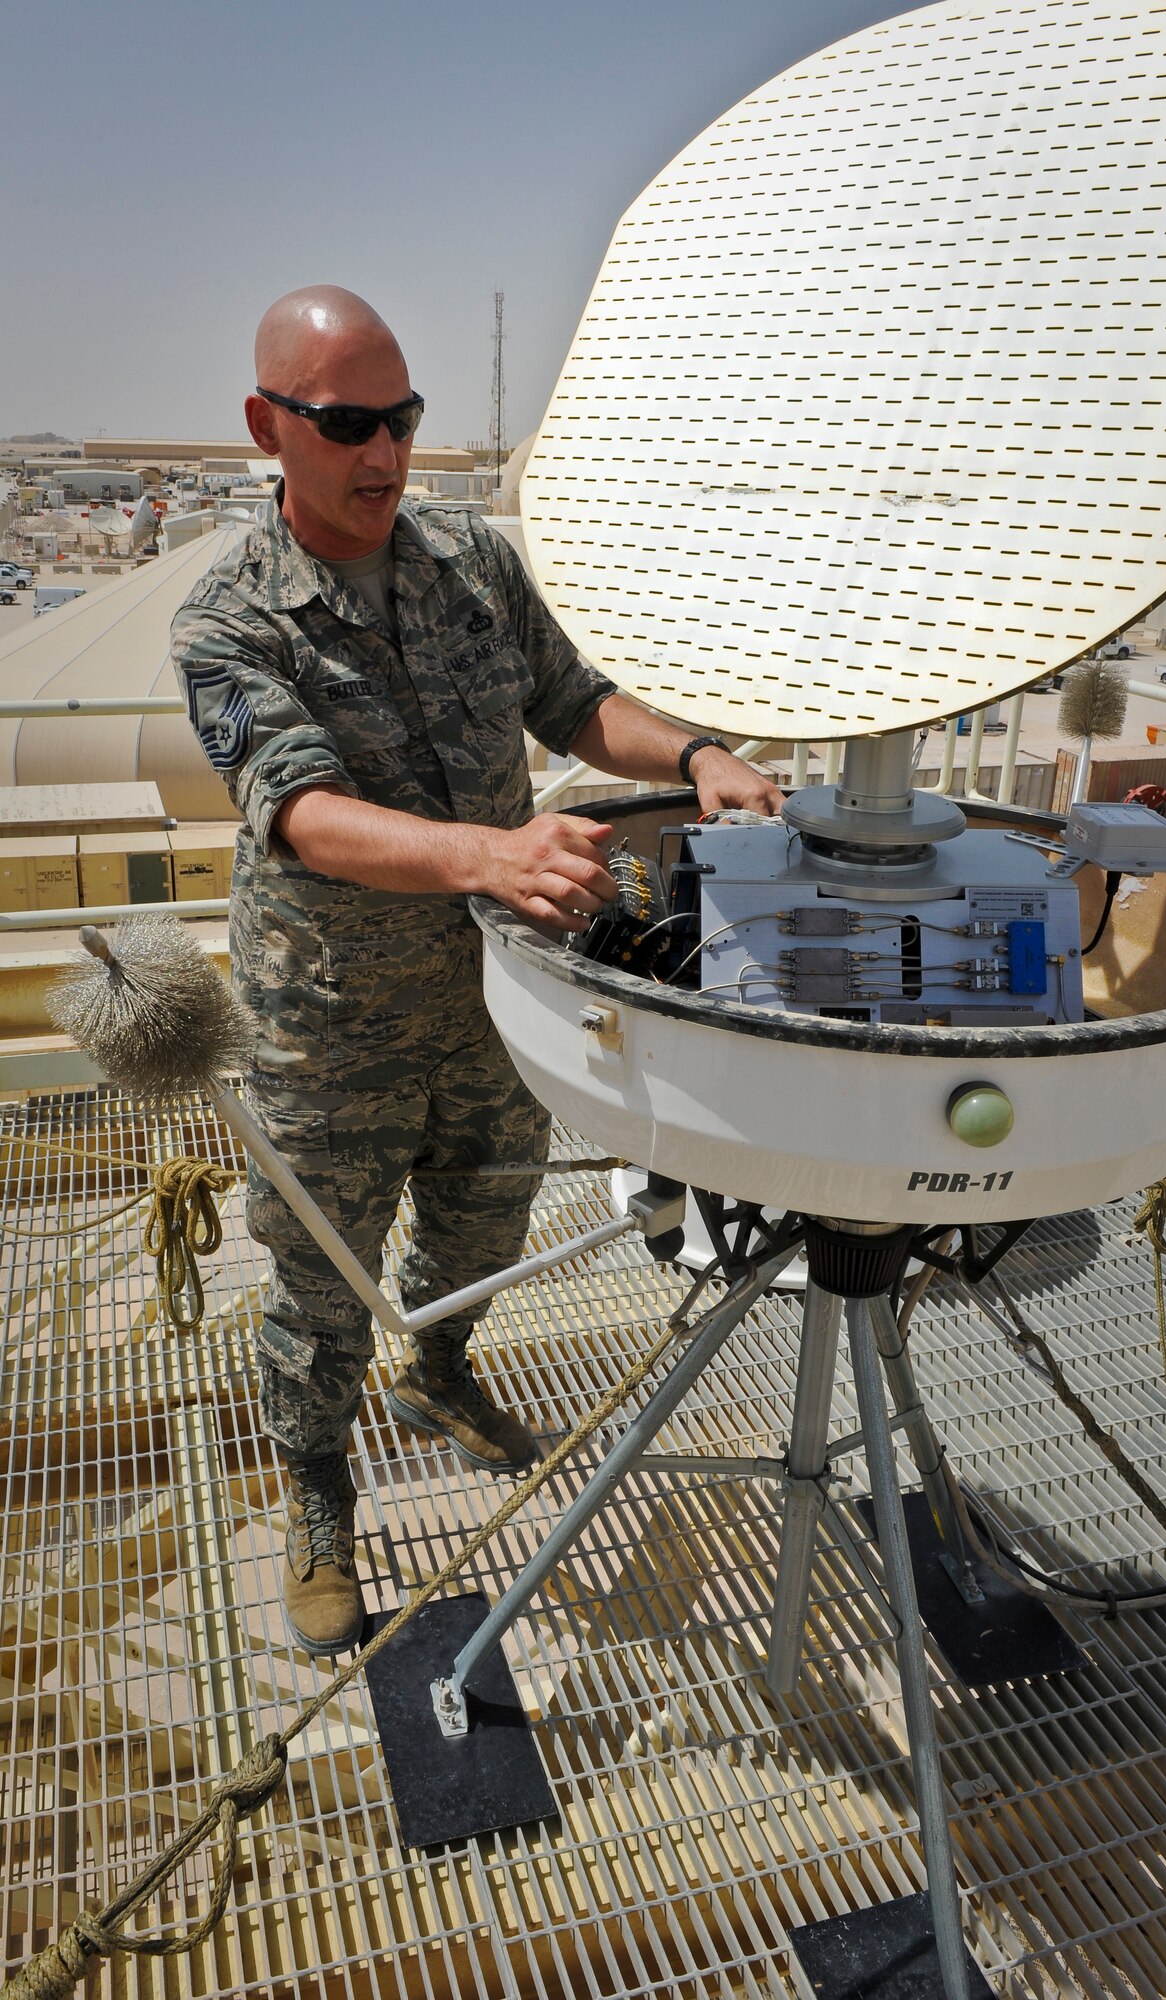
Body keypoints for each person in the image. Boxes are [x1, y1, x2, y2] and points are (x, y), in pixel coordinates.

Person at [172, 285, 783, 1657]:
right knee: (322, 1275)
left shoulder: (469, 562)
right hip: (334, 1014)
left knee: (484, 1219)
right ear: (269, 425)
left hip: (502, 992)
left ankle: (442, 1372)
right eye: (346, 424)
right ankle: (318, 1485)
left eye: (401, 418)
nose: (383, 451)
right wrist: (490, 858)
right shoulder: (230, 618)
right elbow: (302, 809)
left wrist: (695, 755)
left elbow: (574, 704)